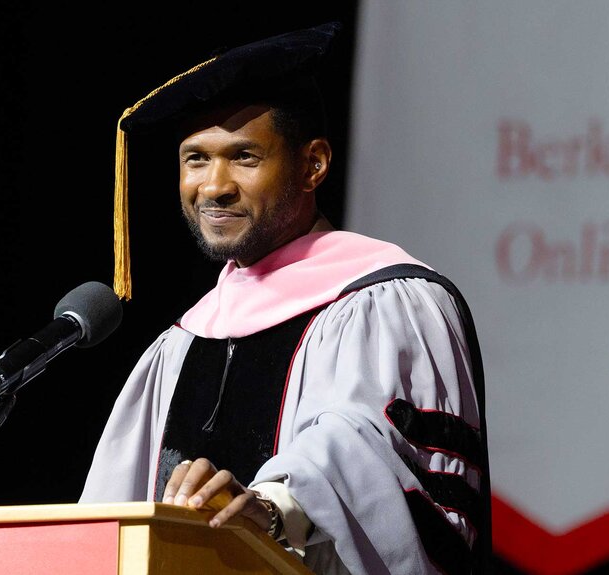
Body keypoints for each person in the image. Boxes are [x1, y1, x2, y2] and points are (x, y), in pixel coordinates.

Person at [79, 21, 491, 575]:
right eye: (195, 158)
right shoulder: (182, 342)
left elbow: (371, 449)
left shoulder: (386, 299)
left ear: (313, 165)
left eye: (244, 157)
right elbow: (112, 515)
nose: (214, 185)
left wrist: (275, 510)